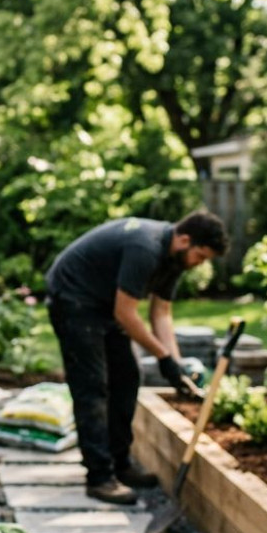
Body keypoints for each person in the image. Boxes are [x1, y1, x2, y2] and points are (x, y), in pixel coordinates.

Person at [45, 212, 228, 504]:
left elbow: (161, 313)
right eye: (200, 256)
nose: (199, 264)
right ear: (184, 240)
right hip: (74, 299)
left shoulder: (174, 260)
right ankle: (100, 477)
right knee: (92, 387)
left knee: (128, 378)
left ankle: (121, 464)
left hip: (104, 304)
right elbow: (126, 314)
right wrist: (162, 356)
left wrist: (174, 364)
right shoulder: (145, 248)